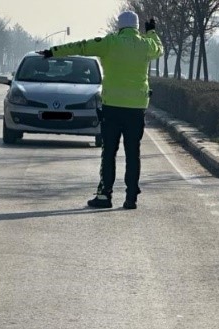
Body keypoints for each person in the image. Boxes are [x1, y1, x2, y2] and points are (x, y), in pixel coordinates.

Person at [43, 11, 163, 210]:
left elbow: (81, 46)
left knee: (109, 152)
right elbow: (159, 48)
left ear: (119, 26)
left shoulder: (109, 42)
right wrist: (151, 32)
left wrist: (52, 52)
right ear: (135, 27)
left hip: (112, 107)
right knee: (133, 153)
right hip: (136, 108)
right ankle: (131, 197)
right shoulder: (145, 44)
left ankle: (105, 195)